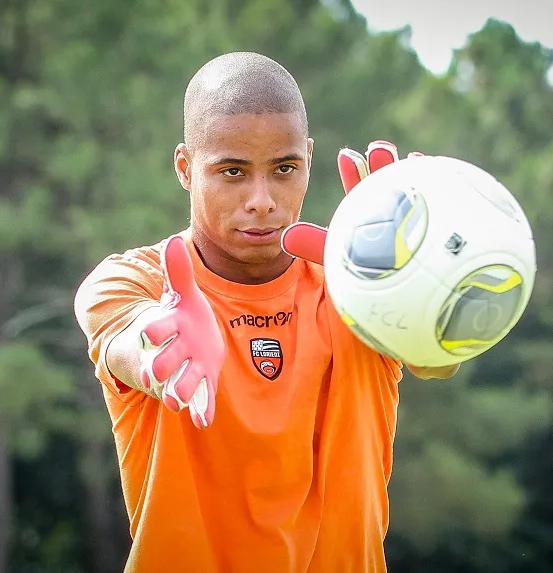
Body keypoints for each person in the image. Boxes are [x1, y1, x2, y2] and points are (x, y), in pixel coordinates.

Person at [74, 51, 458, 573]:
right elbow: (130, 341)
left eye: (284, 169)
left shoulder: (360, 283)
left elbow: (439, 363)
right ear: (186, 168)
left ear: (309, 159)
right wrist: (163, 348)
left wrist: (420, 292)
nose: (262, 199)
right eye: (232, 171)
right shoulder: (138, 282)